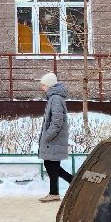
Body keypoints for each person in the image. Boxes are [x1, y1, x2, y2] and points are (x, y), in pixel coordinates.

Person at [38, 72, 74, 203]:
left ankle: (71, 181)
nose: (42, 87)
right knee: (51, 163)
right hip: (54, 139)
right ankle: (56, 191)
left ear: (49, 85)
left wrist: (47, 135)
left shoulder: (56, 98)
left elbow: (57, 121)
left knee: (50, 163)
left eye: (43, 85)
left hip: (54, 139)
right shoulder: (54, 98)